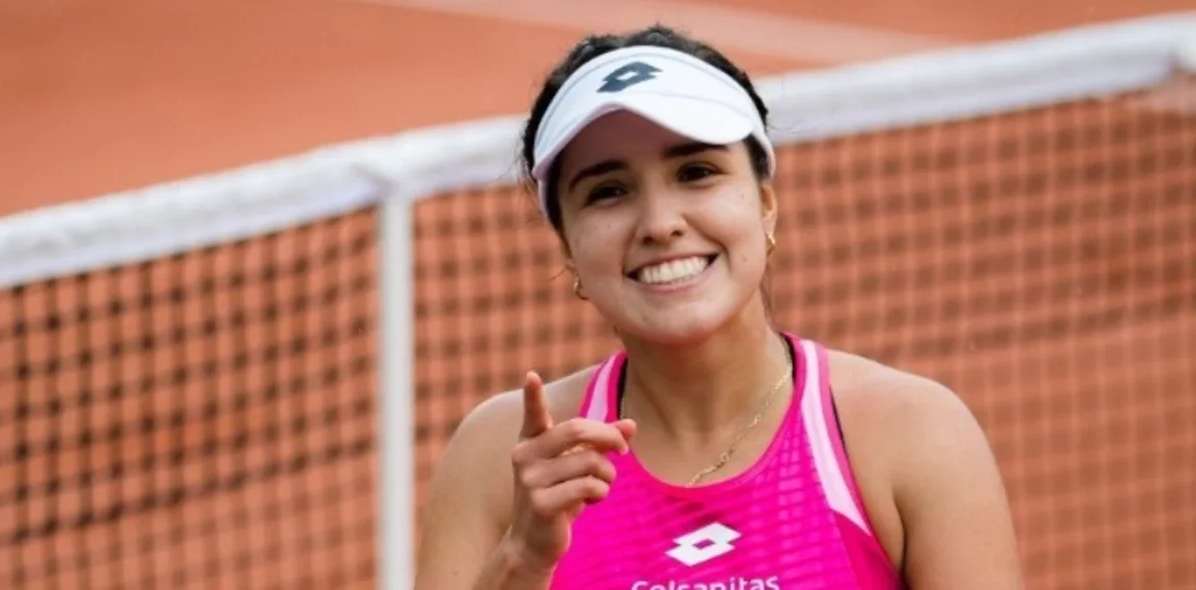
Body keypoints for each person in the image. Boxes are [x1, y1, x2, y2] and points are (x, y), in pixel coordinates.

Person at [415, 24, 1024, 590]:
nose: (660, 223)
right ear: (569, 248)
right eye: (608, 191)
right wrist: (521, 560)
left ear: (765, 204)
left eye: (697, 171)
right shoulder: (499, 460)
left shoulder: (911, 436)